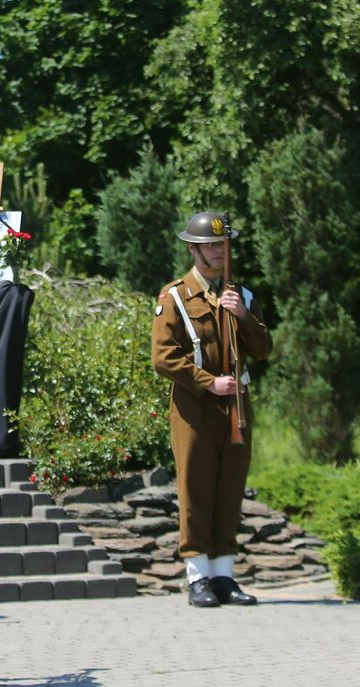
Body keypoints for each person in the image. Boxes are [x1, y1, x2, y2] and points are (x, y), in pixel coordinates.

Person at [151, 211, 272, 608]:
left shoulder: (241, 296)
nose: (220, 252)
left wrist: (242, 316)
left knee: (230, 488)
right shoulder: (175, 297)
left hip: (236, 406)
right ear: (194, 249)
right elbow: (164, 358)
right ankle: (198, 577)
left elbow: (263, 349)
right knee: (196, 488)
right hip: (196, 408)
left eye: (223, 245)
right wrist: (208, 383)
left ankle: (224, 577)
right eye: (211, 246)